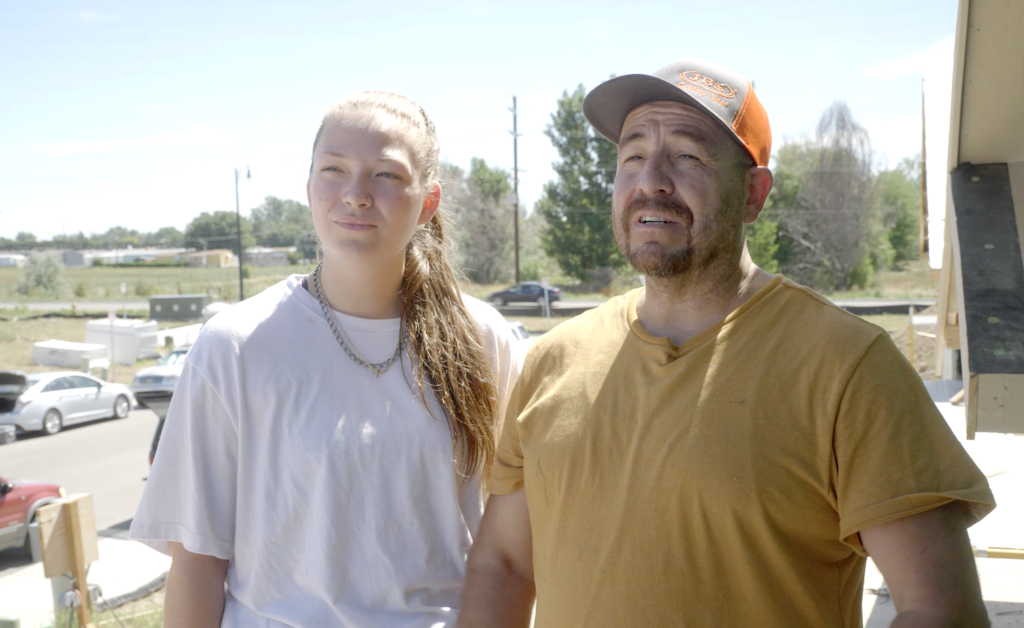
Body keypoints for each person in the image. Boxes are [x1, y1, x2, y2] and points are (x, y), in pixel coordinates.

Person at [457, 59, 995, 628]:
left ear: (753, 194)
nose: (651, 181)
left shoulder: (847, 367)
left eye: (688, 156)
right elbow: (506, 566)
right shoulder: (552, 361)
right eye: (632, 156)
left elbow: (941, 610)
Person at [130, 91, 522, 627]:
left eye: (385, 175)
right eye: (334, 170)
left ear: (427, 201)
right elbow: (197, 560)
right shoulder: (236, 345)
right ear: (309, 188)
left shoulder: (482, 338)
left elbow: (510, 545)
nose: (355, 195)